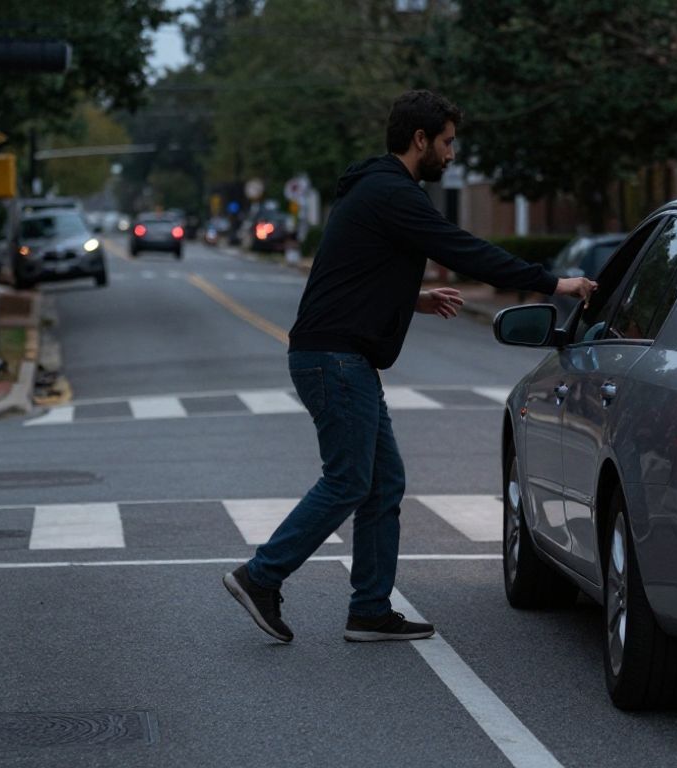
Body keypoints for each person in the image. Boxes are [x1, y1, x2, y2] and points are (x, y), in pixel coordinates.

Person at [223, 90, 597, 643]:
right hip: (334, 358)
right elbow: (462, 247)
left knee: (382, 482)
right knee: (349, 480)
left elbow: (350, 273)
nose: (451, 153)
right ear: (420, 139)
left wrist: (412, 297)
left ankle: (370, 610)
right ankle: (261, 577)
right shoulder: (393, 193)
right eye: (446, 142)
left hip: (335, 354)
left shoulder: (375, 190)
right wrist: (552, 282)